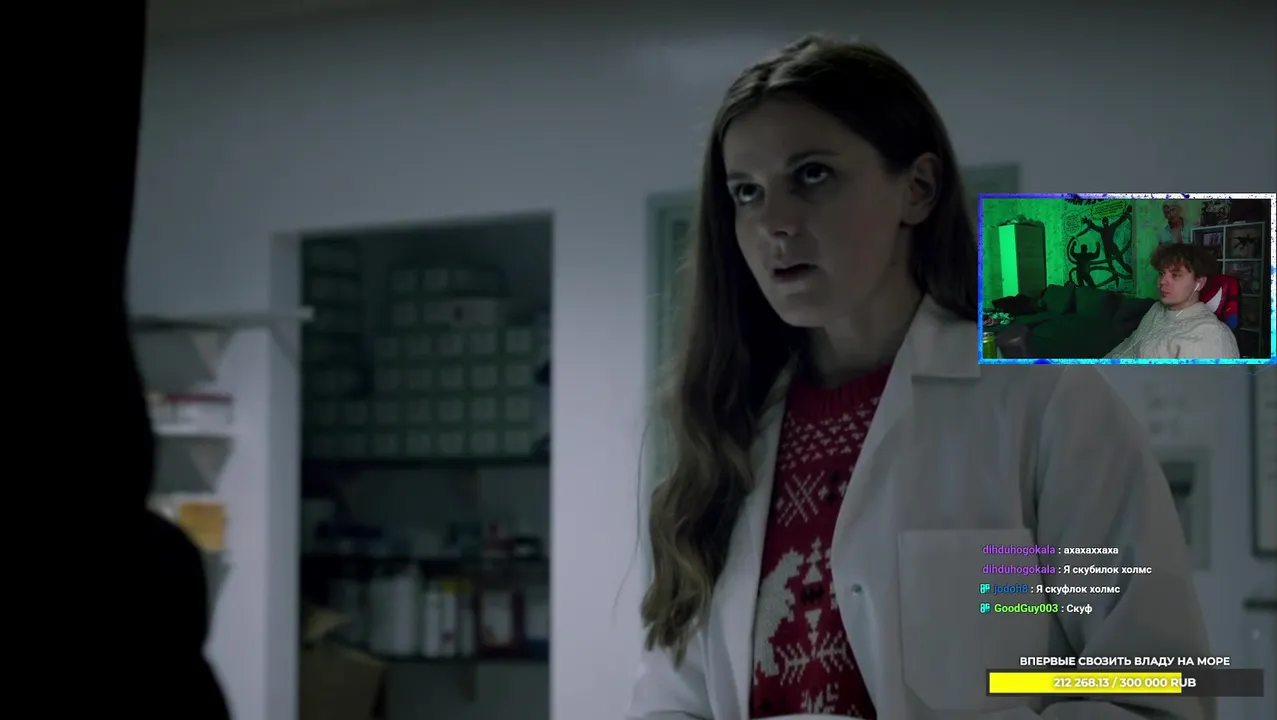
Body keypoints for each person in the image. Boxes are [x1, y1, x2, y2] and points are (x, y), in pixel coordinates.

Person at [629, 35, 1212, 720]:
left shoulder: (1044, 403)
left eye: (812, 175)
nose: (775, 224)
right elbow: (673, 701)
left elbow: (1159, 693)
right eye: (747, 193)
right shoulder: (727, 434)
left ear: (917, 188)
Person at [1105, 244, 1239, 360]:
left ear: (1199, 283)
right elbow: (1129, 346)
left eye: (1175, 275)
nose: (1162, 281)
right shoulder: (1157, 308)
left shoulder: (1211, 337)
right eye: (1162, 273)